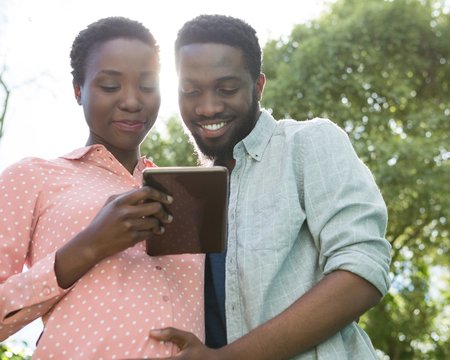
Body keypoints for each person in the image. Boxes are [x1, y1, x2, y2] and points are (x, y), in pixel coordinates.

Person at [147, 14, 392, 359]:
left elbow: (360, 272)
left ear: (258, 86)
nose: (208, 107)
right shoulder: (186, 194)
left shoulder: (308, 143)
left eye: (227, 89)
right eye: (191, 91)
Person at [0, 17, 204, 358]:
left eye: (148, 86)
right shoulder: (34, 177)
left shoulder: (190, 193)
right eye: (110, 86)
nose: (132, 101)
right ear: (78, 89)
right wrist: (88, 246)